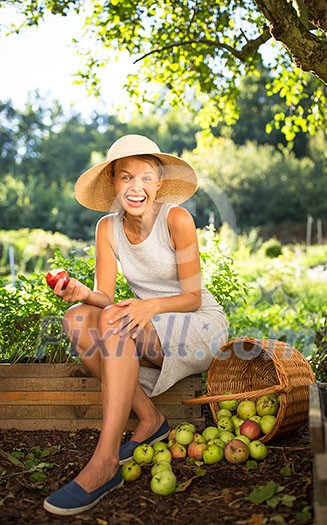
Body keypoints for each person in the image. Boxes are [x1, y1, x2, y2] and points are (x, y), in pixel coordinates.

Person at [43, 134, 228, 516]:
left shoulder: (177, 219)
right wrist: (80, 291)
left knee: (112, 321)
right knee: (77, 318)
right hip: (143, 321)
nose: (136, 186)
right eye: (126, 177)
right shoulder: (106, 228)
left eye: (145, 177)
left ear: (159, 182)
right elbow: (106, 298)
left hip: (197, 324)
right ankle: (150, 418)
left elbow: (192, 297)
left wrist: (150, 306)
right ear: (113, 183)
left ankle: (105, 461)